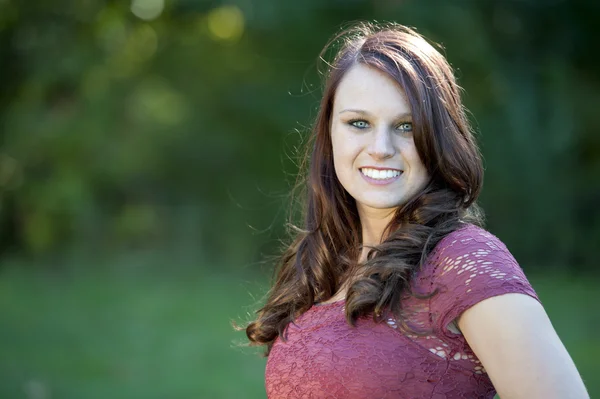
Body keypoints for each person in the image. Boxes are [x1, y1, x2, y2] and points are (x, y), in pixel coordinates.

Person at [243, 22, 589, 398]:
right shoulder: (326, 262)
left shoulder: (463, 260)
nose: (380, 147)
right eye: (358, 123)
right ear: (330, 133)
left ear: (437, 140)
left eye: (406, 127)